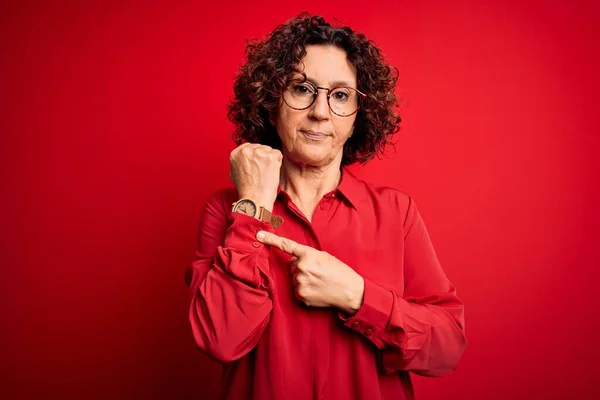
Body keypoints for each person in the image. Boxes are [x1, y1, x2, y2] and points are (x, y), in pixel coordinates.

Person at [187, 13, 467, 400]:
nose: (320, 111)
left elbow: (447, 348)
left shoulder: (396, 212)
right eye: (302, 89)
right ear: (271, 102)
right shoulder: (225, 209)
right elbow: (221, 338)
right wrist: (251, 206)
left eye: (340, 95)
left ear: (357, 116)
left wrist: (358, 296)